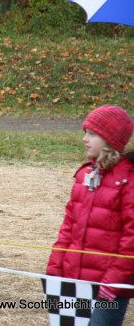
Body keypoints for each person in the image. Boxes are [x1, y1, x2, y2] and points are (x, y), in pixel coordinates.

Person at [46, 105, 134, 326]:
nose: (85, 139)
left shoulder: (128, 181)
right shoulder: (85, 175)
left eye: (92, 134)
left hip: (109, 288)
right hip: (74, 279)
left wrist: (114, 281)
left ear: (110, 139)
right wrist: (55, 268)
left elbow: (131, 238)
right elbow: (69, 226)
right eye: (85, 132)